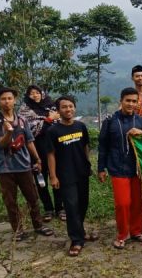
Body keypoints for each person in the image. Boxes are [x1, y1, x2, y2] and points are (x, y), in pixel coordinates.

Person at [0, 87, 54, 241]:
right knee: (10, 201)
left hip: (24, 165)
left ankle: (38, 225)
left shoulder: (23, 120)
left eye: (9, 98)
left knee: (32, 197)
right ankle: (17, 229)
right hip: (5, 168)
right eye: (3, 99)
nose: (7, 101)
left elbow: (30, 141)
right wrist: (9, 132)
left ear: (15, 100)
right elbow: (2, 144)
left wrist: (37, 159)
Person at [98, 87, 142, 249]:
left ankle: (136, 231)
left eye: (134, 101)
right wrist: (101, 168)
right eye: (128, 100)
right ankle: (122, 233)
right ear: (121, 101)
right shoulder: (110, 121)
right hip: (117, 167)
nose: (131, 104)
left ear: (138, 103)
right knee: (123, 203)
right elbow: (103, 146)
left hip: (137, 169)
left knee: (138, 203)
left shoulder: (141, 121)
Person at [46, 95, 95, 256]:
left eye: (70, 106)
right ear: (58, 110)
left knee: (83, 204)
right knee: (71, 206)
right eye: (64, 107)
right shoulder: (53, 130)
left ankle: (79, 232)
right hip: (65, 175)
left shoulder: (81, 126)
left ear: (74, 108)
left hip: (81, 171)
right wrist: (53, 176)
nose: (68, 109)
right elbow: (51, 154)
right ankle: (76, 240)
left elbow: (85, 146)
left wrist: (88, 164)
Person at [18, 85, 63, 222]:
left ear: (42, 94)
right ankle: (48, 209)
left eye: (37, 93)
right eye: (31, 93)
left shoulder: (53, 106)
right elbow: (28, 131)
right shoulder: (24, 110)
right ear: (27, 95)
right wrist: (48, 120)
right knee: (41, 180)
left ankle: (60, 208)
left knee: (57, 177)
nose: (35, 95)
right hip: (37, 151)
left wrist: (49, 120)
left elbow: (61, 123)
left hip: (55, 149)